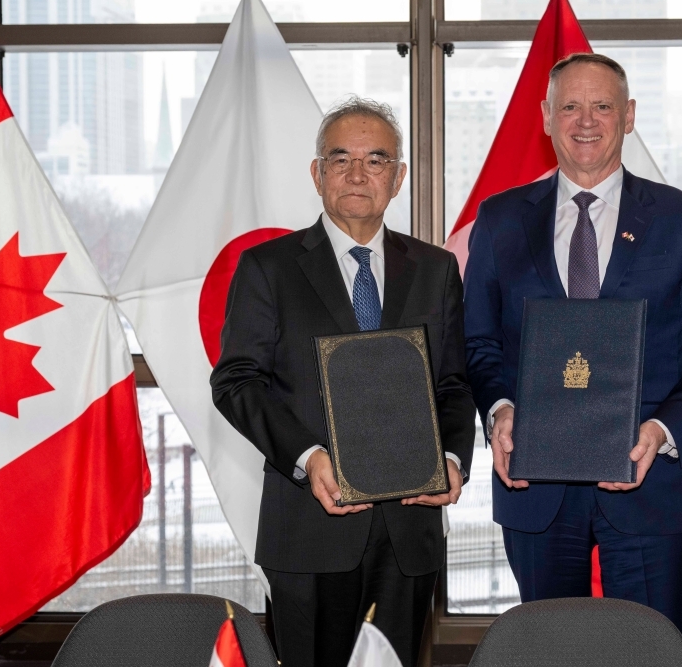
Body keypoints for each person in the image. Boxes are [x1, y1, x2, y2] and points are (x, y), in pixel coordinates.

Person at [462, 53, 682, 651]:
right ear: (545, 117)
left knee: (652, 655)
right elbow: (479, 343)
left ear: (630, 116)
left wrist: (662, 428)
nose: (584, 121)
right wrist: (500, 411)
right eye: (569, 106)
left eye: (601, 106)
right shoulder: (500, 219)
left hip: (649, 490)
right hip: (534, 490)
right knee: (549, 655)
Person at [211, 96, 476, 667]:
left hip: (411, 528)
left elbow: (454, 385)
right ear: (317, 173)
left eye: (377, 160)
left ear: (399, 177)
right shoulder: (268, 267)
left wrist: (452, 460)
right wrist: (307, 457)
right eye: (340, 159)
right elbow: (236, 381)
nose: (358, 174)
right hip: (309, 528)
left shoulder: (435, 270)